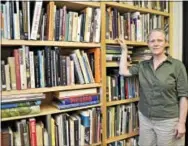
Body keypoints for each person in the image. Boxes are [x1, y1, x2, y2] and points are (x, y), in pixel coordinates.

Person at [118, 28, 188, 146]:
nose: (156, 44)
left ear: (165, 43)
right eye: (152, 41)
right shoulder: (143, 66)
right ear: (148, 44)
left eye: (160, 40)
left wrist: (182, 123)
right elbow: (123, 71)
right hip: (145, 119)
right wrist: (124, 50)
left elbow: (183, 96)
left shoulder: (177, 66)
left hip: (168, 121)